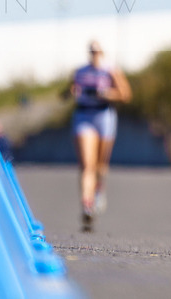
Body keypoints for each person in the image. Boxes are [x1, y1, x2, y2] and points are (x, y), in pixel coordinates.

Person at [70, 40, 132, 232]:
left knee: (100, 165)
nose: (94, 54)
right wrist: (73, 92)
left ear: (102, 53)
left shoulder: (111, 70)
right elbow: (67, 92)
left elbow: (126, 95)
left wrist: (106, 93)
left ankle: (99, 189)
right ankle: (87, 205)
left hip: (104, 115)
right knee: (87, 164)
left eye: (97, 51)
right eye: (91, 51)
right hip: (84, 115)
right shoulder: (80, 72)